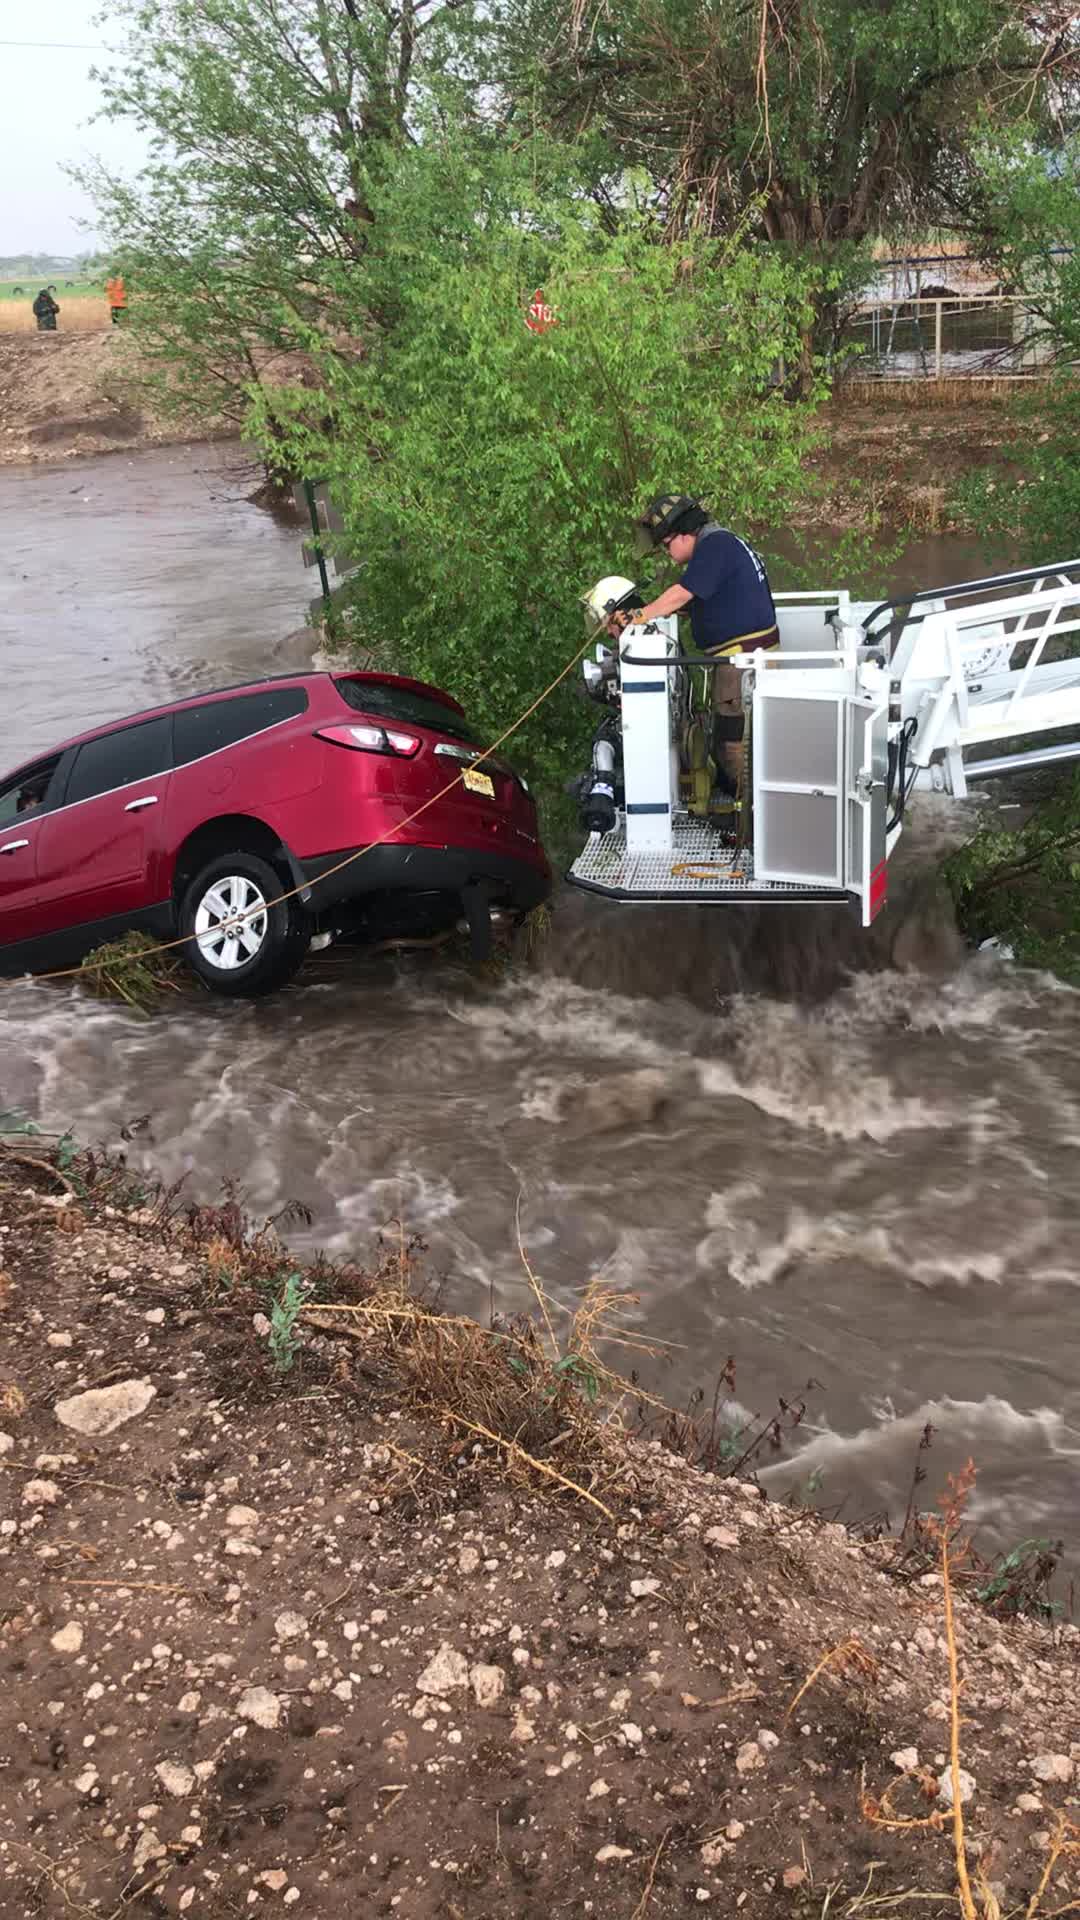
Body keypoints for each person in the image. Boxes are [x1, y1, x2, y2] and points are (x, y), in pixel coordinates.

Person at [623, 494, 778, 790]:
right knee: (731, 739)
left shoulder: (715, 546)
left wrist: (639, 616)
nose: (667, 553)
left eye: (667, 544)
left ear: (685, 533)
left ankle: (750, 816)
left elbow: (682, 593)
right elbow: (703, 600)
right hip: (743, 658)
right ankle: (739, 801)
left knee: (732, 744)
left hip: (740, 663)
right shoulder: (721, 543)